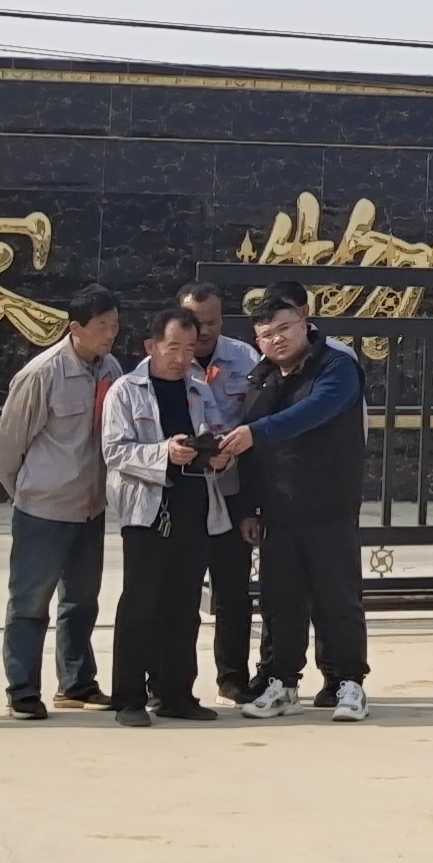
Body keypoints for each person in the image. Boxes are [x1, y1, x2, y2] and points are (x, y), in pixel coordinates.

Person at [215, 291, 371, 722]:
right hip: (278, 511)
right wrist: (248, 507)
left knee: (337, 599)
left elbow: (312, 412)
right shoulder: (262, 377)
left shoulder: (337, 367)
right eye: (267, 335)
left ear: (304, 322)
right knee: (280, 601)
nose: (277, 339)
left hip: (329, 507)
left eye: (284, 328)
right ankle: (281, 683)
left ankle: (349, 684)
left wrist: (257, 432)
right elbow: (250, 451)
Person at [98, 309, 243, 726]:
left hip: (195, 505)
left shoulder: (199, 388)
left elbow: (215, 433)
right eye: (172, 348)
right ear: (151, 346)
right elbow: (115, 451)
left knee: (184, 604)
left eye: (189, 349)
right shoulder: (126, 391)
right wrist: (164, 452)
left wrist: (219, 455)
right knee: (140, 603)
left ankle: (175, 693)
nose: (181, 358)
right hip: (147, 509)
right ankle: (129, 698)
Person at [0, 286, 128, 718]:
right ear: (75, 328)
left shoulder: (112, 370)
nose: (110, 334)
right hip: (44, 510)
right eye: (101, 326)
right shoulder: (42, 373)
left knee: (82, 601)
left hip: (91, 507)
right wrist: (27, 491)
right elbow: (10, 446)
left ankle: (77, 684)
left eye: (115, 325)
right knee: (30, 602)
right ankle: (22, 689)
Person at [172, 279, 270, 704]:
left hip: (231, 492)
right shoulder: (168, 360)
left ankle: (232, 679)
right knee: (180, 592)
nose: (205, 331)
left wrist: (251, 503)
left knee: (233, 593)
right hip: (182, 491)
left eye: (213, 322)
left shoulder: (246, 359)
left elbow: (259, 430)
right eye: (196, 322)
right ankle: (172, 682)